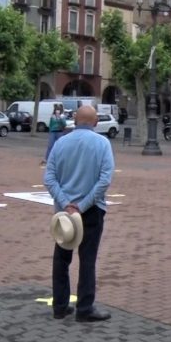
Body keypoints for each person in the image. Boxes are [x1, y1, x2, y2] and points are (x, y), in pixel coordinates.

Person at [44, 105, 114, 322]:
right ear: (95, 122)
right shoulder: (102, 143)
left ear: (74, 120)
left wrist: (66, 203)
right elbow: (104, 180)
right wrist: (82, 205)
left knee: (61, 258)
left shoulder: (61, 142)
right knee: (87, 259)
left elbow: (49, 178)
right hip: (91, 210)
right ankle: (84, 307)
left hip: (64, 214)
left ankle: (60, 306)